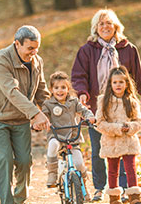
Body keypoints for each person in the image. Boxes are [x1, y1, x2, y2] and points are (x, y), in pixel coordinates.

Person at [71, 9, 141, 202]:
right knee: (98, 149)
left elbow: (139, 77)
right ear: (95, 28)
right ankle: (101, 187)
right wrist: (82, 93)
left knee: (125, 148)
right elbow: (78, 75)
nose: (105, 27)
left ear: (116, 26)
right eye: (101, 24)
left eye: (108, 23)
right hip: (97, 107)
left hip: (124, 107)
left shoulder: (128, 49)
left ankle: (126, 187)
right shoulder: (87, 50)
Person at [0, 25, 50, 204]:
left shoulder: (37, 61)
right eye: (29, 48)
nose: (33, 53)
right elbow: (12, 92)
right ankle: (7, 201)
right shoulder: (1, 60)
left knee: (25, 161)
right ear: (17, 44)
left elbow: (41, 90)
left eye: (36, 48)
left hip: (20, 117)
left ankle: (20, 199)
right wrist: (36, 114)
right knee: (5, 159)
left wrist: (52, 111)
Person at [41, 71, 96, 201]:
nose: (60, 91)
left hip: (72, 137)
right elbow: (44, 116)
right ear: (51, 89)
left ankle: (83, 188)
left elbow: (84, 110)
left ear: (68, 89)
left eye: (63, 87)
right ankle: (52, 173)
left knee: (79, 163)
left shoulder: (73, 101)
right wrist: (43, 122)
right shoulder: (48, 104)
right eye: (56, 88)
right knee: (53, 145)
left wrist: (90, 117)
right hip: (57, 136)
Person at [95, 66, 141, 204]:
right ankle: (114, 197)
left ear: (126, 84)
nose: (118, 85)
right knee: (112, 169)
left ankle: (134, 196)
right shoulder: (103, 101)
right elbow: (100, 123)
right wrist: (117, 128)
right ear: (110, 84)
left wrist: (129, 127)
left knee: (130, 168)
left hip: (128, 141)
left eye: (121, 82)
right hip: (111, 141)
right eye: (115, 82)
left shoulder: (132, 101)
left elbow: (139, 122)